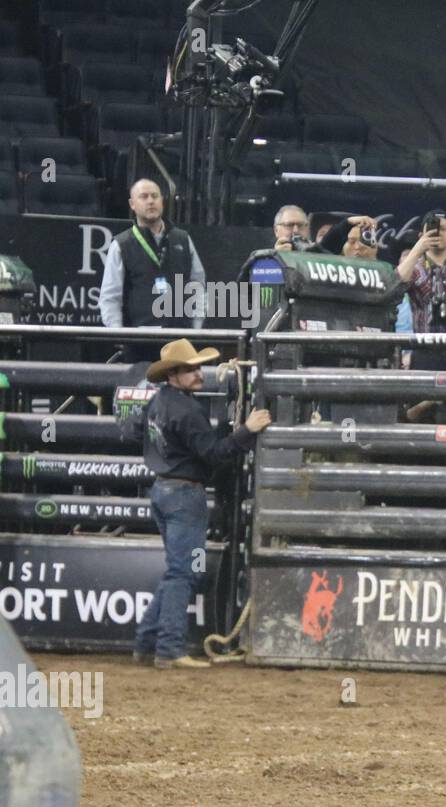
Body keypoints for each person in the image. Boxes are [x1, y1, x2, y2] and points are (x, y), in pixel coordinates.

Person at [132, 338, 271, 669]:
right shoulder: (187, 410)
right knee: (184, 573)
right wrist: (245, 432)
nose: (198, 374)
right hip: (184, 497)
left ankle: (147, 642)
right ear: (173, 375)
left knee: (178, 571)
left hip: (164, 492)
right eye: (190, 369)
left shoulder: (159, 403)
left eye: (197, 367)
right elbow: (214, 454)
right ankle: (168, 649)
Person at [99, 179, 205, 338]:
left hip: (180, 339)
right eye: (144, 196)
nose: (150, 201)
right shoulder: (122, 244)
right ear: (132, 204)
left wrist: (195, 330)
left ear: (162, 201)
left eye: (155, 196)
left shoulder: (182, 239)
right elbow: (110, 297)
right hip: (139, 340)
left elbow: (198, 287)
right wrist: (119, 335)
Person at [393, 210, 446, 369]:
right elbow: (393, 287)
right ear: (420, 236)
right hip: (425, 352)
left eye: (443, 229)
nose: (437, 232)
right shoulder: (414, 269)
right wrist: (417, 249)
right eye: (432, 229)